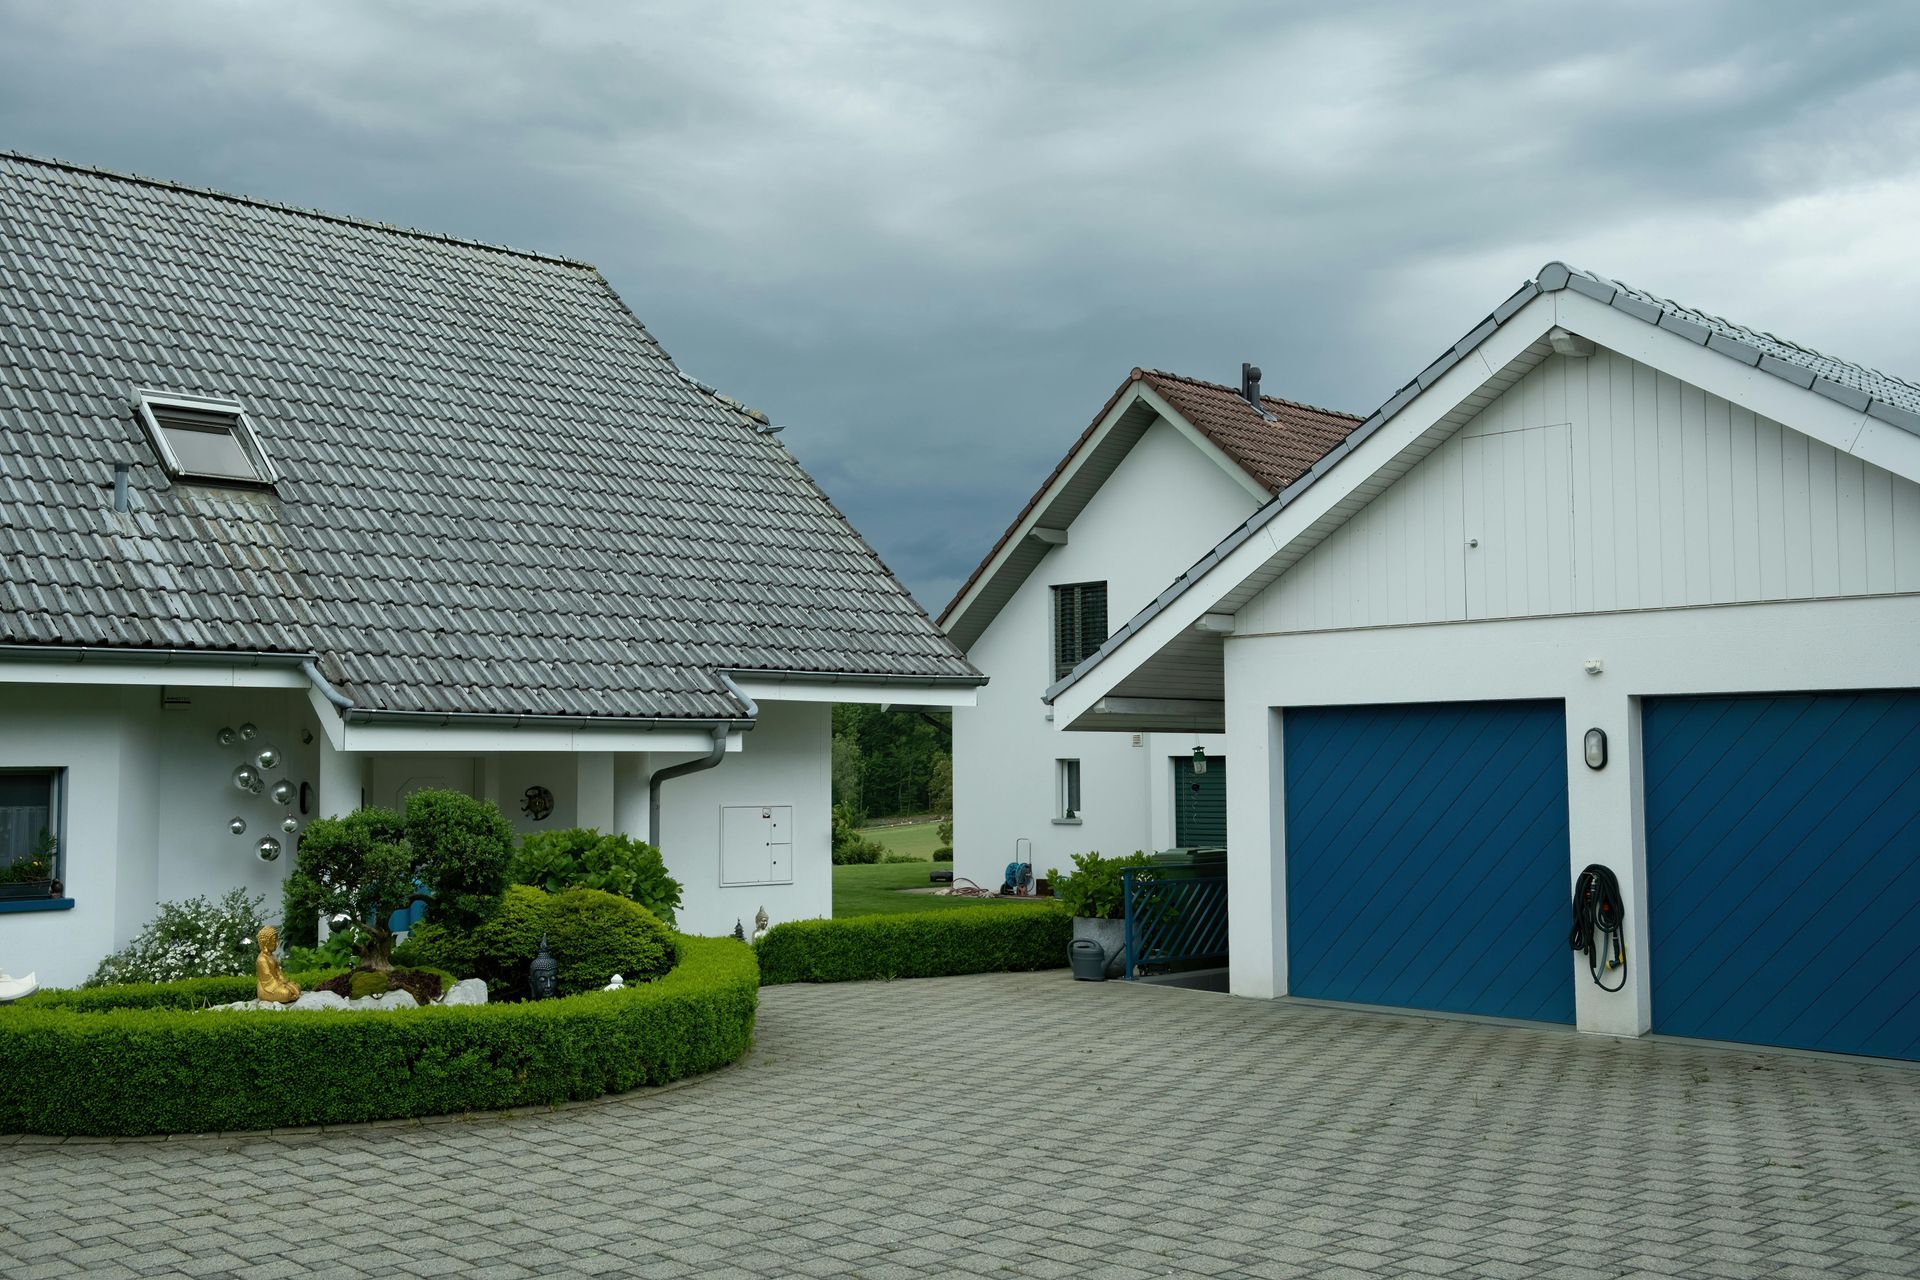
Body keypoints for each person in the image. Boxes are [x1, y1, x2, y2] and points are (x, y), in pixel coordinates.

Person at [255, 925, 300, 1003]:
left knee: (296, 987)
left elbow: (278, 972)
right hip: (267, 988)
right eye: (274, 941)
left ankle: (289, 993)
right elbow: (267, 979)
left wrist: (282, 980)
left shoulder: (272, 956)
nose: (277, 943)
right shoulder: (262, 959)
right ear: (266, 942)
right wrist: (281, 985)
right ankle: (288, 995)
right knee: (285, 993)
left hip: (277, 983)